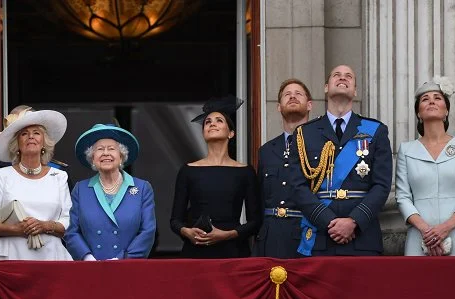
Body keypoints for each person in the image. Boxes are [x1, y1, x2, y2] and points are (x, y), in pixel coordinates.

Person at [288, 65, 392, 256]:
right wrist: (329, 221)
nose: (342, 78)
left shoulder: (375, 130)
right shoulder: (304, 133)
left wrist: (353, 221)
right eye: (336, 75)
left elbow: (382, 185)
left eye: (348, 76)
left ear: (355, 91)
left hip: (362, 236)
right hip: (320, 235)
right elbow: (297, 186)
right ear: (326, 87)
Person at [396, 76, 455, 256]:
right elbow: (402, 197)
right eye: (425, 99)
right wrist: (427, 230)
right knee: (417, 284)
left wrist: (445, 228)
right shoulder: (406, 149)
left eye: (437, 98)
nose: (431, 101)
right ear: (418, 113)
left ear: (446, 110)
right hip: (419, 235)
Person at [0, 105, 72, 260]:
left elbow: (68, 222)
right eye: (24, 134)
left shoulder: (59, 176)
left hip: (52, 257)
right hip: (12, 256)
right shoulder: (3, 175)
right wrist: (17, 229)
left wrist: (44, 226)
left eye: (36, 133)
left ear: (44, 142)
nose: (31, 137)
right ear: (17, 144)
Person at [170, 96, 261, 259]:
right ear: (203, 133)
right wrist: (187, 232)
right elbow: (175, 220)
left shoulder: (245, 172)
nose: (212, 123)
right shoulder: (188, 170)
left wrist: (228, 234)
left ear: (231, 133)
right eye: (207, 122)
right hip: (196, 249)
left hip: (233, 251)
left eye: (219, 120)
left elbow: (255, 221)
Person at [64, 124, 156, 260]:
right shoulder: (81, 189)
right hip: (91, 268)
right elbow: (72, 231)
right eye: (100, 149)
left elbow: (148, 231)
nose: (105, 153)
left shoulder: (142, 188)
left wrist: (124, 259)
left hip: (128, 267)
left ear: (121, 156)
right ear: (93, 158)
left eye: (111, 149)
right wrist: (87, 257)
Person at [253, 79, 313, 259]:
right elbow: (260, 198)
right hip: (271, 237)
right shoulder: (266, 151)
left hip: (308, 234)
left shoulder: (323, 146)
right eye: (287, 95)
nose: (292, 96)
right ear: (279, 106)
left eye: (298, 94)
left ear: (309, 105)